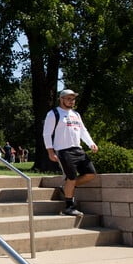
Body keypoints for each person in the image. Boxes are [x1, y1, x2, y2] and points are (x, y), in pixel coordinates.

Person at [42, 88, 98, 216]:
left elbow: (83, 131)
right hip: (63, 150)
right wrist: (50, 152)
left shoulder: (76, 114)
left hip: (78, 149)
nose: (71, 101)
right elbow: (46, 134)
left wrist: (91, 143)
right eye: (68, 98)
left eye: (73, 99)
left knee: (90, 174)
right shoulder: (53, 114)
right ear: (61, 99)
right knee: (71, 177)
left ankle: (66, 187)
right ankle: (69, 207)